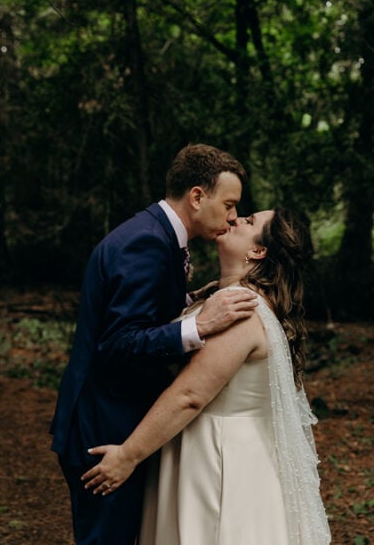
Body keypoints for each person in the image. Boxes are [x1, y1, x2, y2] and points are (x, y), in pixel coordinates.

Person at [50, 143, 260, 544]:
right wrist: (199, 326)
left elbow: (141, 310)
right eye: (230, 204)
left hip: (112, 418)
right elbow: (117, 342)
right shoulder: (145, 243)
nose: (233, 216)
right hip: (105, 428)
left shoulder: (157, 234)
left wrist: (191, 301)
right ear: (197, 196)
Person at [82, 208, 331, 544]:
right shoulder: (224, 299)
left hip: (217, 456)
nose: (236, 218)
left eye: (249, 222)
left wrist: (127, 456)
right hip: (206, 445)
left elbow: (190, 394)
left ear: (258, 251)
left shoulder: (241, 309)